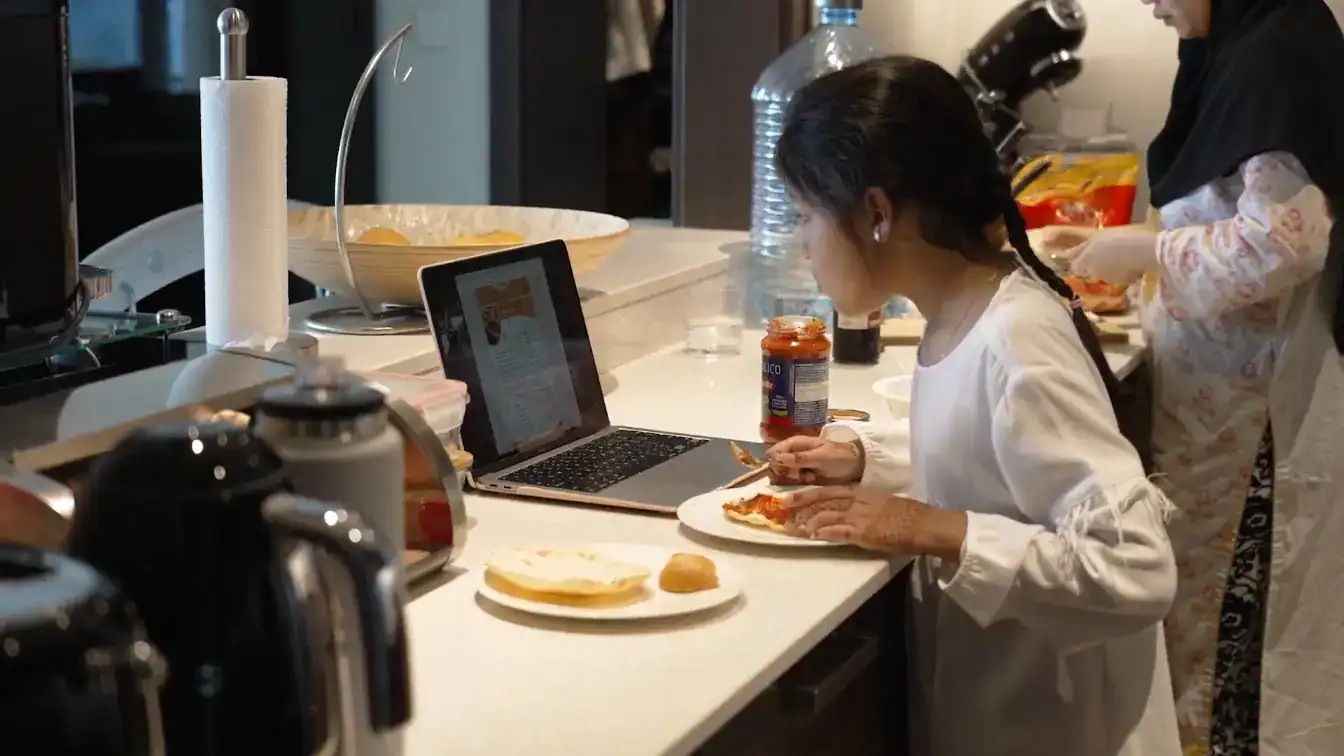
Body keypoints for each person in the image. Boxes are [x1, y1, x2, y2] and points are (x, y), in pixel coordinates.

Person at [766, 55, 1180, 756]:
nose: (801, 244)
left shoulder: (1018, 342)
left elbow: (1136, 565)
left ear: (876, 213)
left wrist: (935, 527)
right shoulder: (964, 308)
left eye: (806, 216)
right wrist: (868, 457)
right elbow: (988, 451)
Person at [1050, 2, 1344, 752]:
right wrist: (1130, 242)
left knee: (1232, 636)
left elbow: (1283, 243)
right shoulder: (1245, 43)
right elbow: (1230, 206)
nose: (1154, 7)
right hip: (1218, 397)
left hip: (1257, 416)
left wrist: (1147, 255)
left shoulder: (1278, 54)